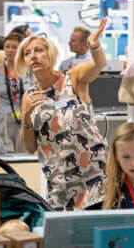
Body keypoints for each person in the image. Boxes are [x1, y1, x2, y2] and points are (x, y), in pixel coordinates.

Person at [18, 18, 108, 210]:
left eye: (38, 50)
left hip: (94, 181)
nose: (33, 56)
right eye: (27, 53)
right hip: (59, 188)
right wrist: (26, 116)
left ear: (50, 53)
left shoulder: (72, 78)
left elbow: (99, 64)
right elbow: (30, 147)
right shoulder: (29, 96)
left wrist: (94, 46)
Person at [0, 31, 32, 152]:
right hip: (0, 122)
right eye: (7, 47)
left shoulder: (29, 71)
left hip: (23, 122)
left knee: (25, 158)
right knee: (3, 157)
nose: (10, 50)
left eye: (14, 47)